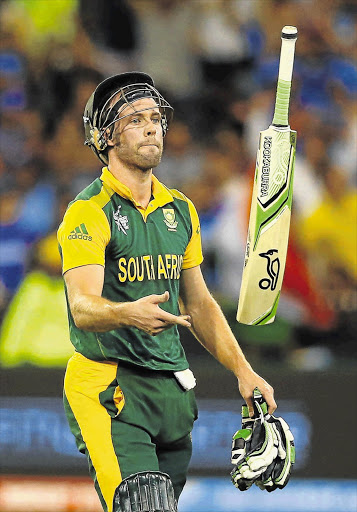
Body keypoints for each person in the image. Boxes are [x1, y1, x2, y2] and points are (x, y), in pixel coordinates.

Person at [57, 72, 276, 512]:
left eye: (155, 117)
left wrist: (244, 371)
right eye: (135, 119)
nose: (152, 126)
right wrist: (126, 313)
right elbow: (81, 307)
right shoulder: (88, 211)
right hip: (111, 384)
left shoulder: (180, 208)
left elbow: (199, 304)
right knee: (143, 505)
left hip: (173, 392)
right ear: (104, 137)